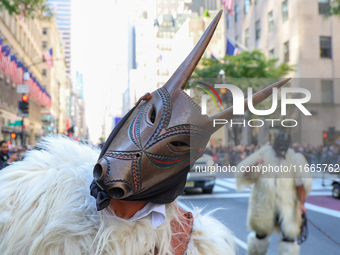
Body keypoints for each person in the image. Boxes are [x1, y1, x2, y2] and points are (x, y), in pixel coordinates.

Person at [0, 11, 289, 254]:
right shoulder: (29, 196)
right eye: (149, 117)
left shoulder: (191, 240)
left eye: (175, 143)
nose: (137, 153)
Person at [235, 133, 313, 255]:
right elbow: (244, 174)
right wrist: (254, 165)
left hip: (287, 204)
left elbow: (300, 184)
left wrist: (302, 204)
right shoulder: (263, 154)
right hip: (264, 203)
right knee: (260, 235)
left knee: (289, 237)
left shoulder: (294, 158)